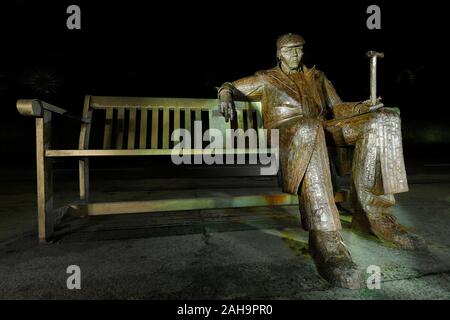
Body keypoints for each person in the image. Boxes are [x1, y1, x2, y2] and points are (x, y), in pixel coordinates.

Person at [217, 33, 421, 289]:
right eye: (289, 51)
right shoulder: (266, 78)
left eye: (299, 50)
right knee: (309, 128)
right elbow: (232, 86)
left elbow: (337, 108)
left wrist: (363, 108)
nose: (295, 55)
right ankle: (325, 239)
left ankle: (372, 215)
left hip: (317, 129)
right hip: (288, 136)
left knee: (384, 120)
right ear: (278, 53)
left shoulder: (317, 76)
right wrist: (225, 93)